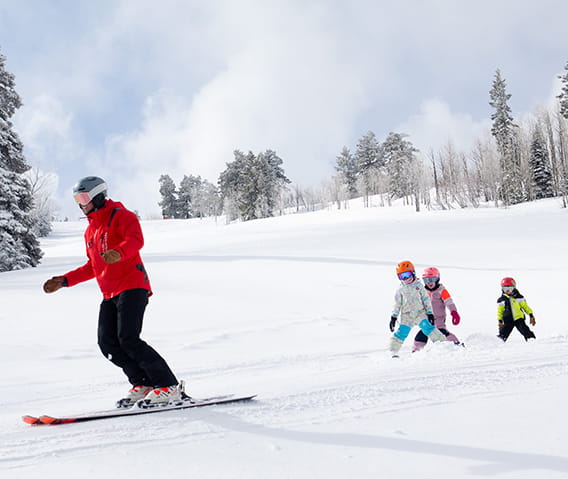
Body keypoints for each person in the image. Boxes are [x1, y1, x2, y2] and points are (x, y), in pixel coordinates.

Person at [43, 176, 182, 408]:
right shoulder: (91, 232)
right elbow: (92, 267)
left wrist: (119, 252)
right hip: (109, 293)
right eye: (77, 199)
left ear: (98, 196)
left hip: (133, 285)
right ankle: (143, 383)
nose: (81, 203)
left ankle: (168, 386)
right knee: (107, 343)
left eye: (84, 197)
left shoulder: (122, 216)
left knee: (129, 339)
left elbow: (135, 240)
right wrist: (65, 280)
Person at [389, 260, 446, 357]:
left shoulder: (419, 286)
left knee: (428, 328)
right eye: (402, 276)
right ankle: (392, 351)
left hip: (420, 314)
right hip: (407, 316)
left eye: (407, 274)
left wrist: (429, 313)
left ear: (413, 273)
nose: (405, 278)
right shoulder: (400, 290)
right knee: (401, 333)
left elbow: (426, 300)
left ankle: (443, 344)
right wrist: (394, 317)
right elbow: (397, 304)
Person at [413, 267, 463, 352]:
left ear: (437, 279)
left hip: (439, 319)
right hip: (427, 320)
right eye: (426, 280)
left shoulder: (441, 290)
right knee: (421, 335)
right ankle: (416, 351)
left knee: (442, 332)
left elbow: (449, 302)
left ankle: (456, 344)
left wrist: (454, 312)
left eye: (432, 279)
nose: (429, 283)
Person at [497, 277, 536, 342]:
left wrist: (531, 315)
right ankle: (498, 341)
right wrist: (500, 320)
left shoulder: (519, 297)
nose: (507, 291)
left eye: (510, 288)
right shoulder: (502, 300)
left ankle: (531, 339)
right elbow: (500, 311)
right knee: (503, 332)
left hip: (519, 319)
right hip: (508, 320)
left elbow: (525, 307)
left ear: (514, 288)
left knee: (524, 330)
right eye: (505, 289)